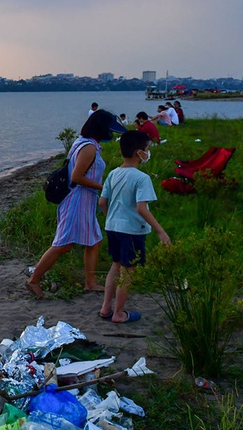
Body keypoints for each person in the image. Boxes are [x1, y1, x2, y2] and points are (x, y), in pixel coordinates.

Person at [26, 109, 126, 298]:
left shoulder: (86, 143)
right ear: (101, 128)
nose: (111, 134)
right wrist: (103, 188)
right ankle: (34, 280)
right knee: (63, 244)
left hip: (85, 201)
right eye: (109, 130)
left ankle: (90, 283)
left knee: (94, 241)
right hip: (76, 201)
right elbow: (77, 177)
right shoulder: (88, 147)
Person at [98, 131, 170, 324]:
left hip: (112, 228)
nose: (148, 153)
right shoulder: (141, 178)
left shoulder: (113, 173)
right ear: (139, 153)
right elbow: (141, 208)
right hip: (131, 231)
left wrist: (112, 219)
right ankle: (119, 313)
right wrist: (160, 231)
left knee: (115, 265)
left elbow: (102, 202)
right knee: (128, 271)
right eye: (147, 149)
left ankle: (106, 308)